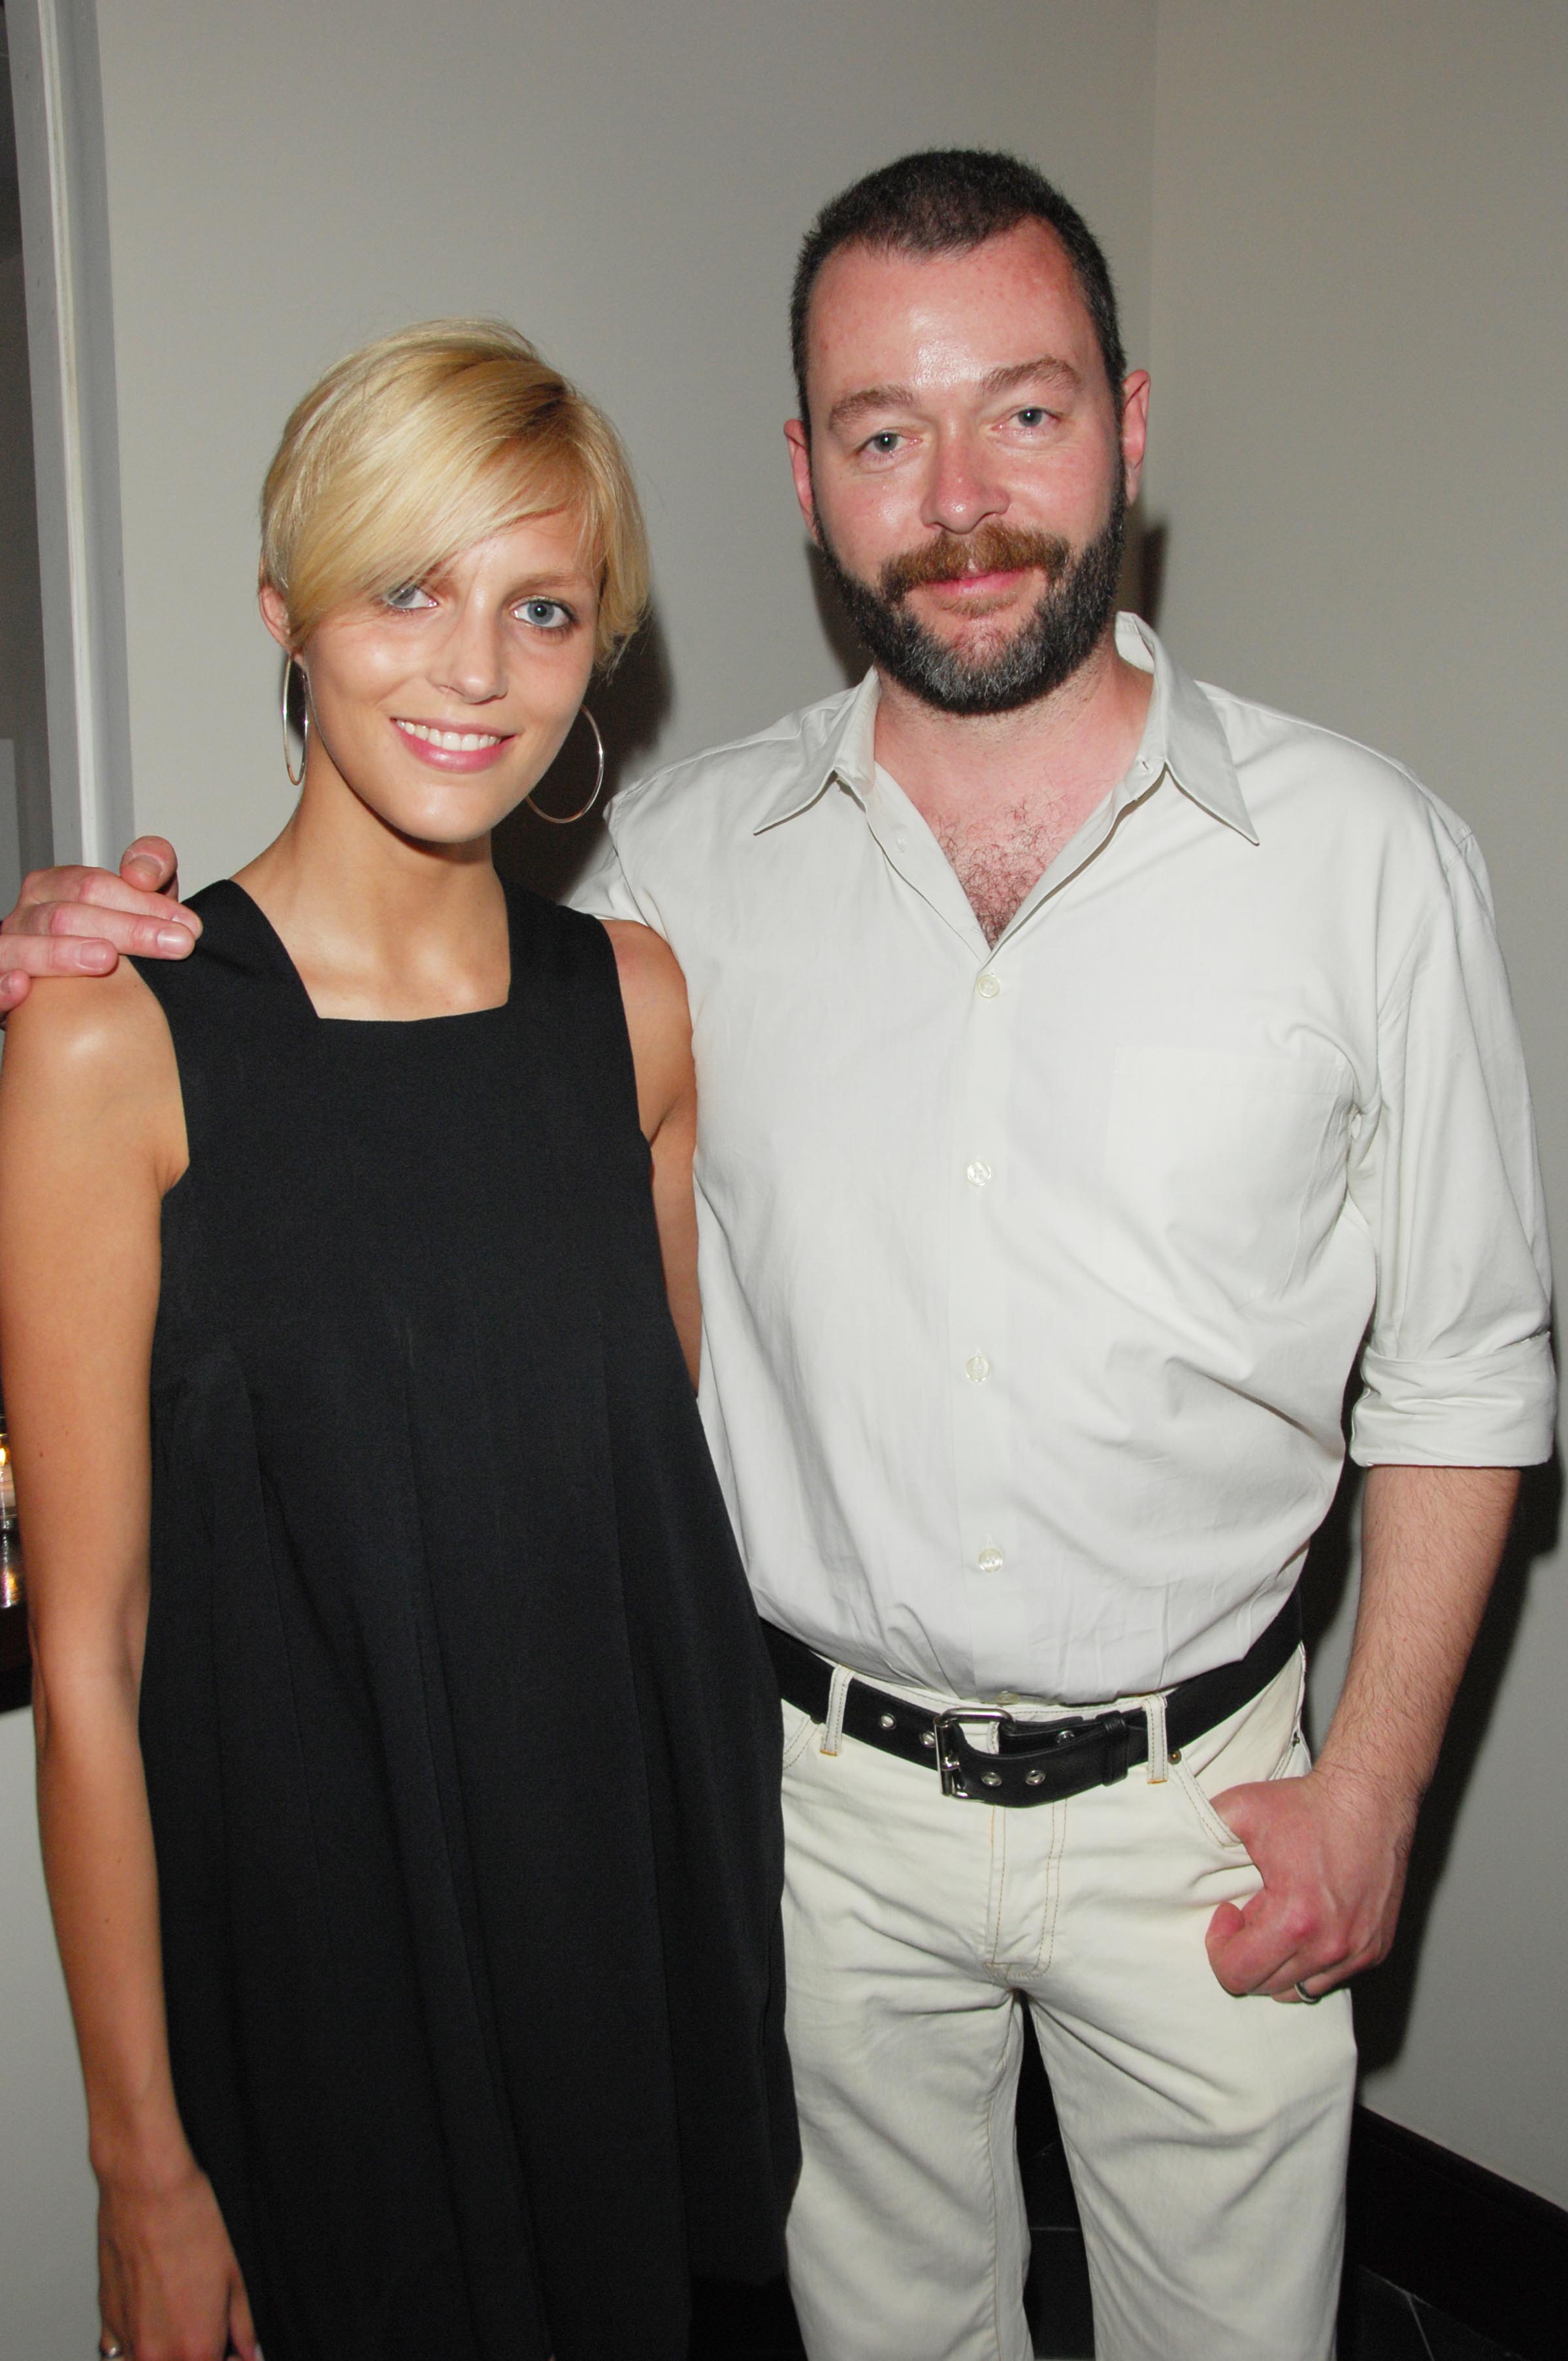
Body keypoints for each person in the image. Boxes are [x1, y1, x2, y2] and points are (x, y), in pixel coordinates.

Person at [3, 149, 1554, 2361]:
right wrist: (65, 942)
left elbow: (1471, 1365)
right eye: (884, 431)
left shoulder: (1367, 859)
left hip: (1207, 1820)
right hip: (812, 1824)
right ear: (807, 478)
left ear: (1126, 426)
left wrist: (1376, 1784)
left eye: (1024, 411)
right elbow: (377, 1099)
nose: (961, 498)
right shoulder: (677, 881)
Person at [0, 320, 795, 2361]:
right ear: (287, 612)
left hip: (616, 1940)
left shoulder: (635, 1009)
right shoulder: (111, 1042)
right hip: (321, 1998)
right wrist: (139, 2164)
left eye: (543, 609)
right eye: (406, 589)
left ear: (600, 650)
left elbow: (620, 1525)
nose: (477, 671)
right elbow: (86, 1659)